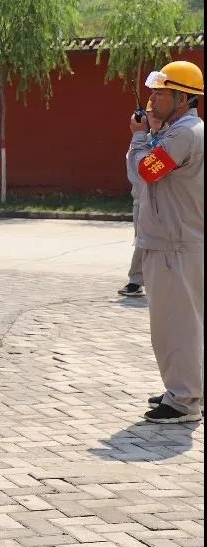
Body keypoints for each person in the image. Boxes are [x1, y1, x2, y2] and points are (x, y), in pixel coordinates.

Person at [128, 60, 204, 424]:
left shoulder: (184, 134)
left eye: (160, 93)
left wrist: (140, 137)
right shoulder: (177, 131)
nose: (152, 99)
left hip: (174, 243)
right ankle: (185, 387)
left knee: (175, 325)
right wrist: (150, 134)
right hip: (175, 241)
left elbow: (147, 170)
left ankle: (184, 399)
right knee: (183, 323)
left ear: (184, 97)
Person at [118, 101, 163, 298]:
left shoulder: (172, 138)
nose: (154, 118)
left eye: (157, 114)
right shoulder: (141, 140)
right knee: (142, 241)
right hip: (142, 200)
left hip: (166, 200)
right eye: (150, 114)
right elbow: (138, 173)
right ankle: (136, 280)